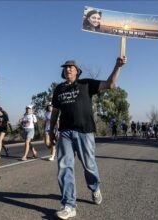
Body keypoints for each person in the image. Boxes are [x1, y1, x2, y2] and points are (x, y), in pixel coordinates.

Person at [49, 56, 126, 219]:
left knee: (89, 166)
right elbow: (55, 112)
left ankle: (95, 188)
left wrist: (117, 66)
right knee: (64, 167)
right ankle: (69, 205)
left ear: (77, 71)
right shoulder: (58, 90)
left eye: (71, 67)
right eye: (65, 67)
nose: (68, 69)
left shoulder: (86, 84)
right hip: (65, 133)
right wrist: (50, 131)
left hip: (85, 132)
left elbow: (110, 85)